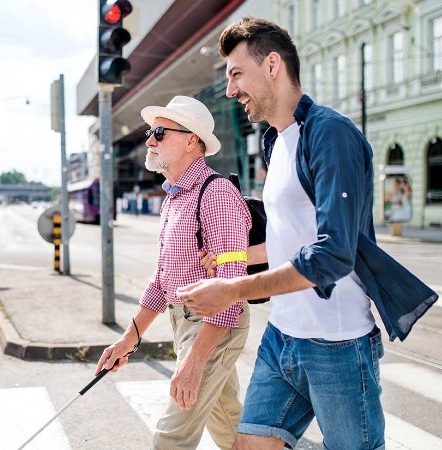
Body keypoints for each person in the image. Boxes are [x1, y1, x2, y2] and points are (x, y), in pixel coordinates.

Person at [177, 17, 388, 450]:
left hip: (338, 344)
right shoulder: (277, 141)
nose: (231, 89)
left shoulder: (330, 134)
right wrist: (226, 262)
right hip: (283, 336)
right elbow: (286, 238)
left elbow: (333, 255)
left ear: (272, 65)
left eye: (236, 74)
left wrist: (233, 289)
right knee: (249, 445)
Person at [95, 95, 252, 449]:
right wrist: (128, 339)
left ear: (191, 140)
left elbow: (231, 285)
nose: (149, 140)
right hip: (185, 322)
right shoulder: (174, 199)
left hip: (213, 326)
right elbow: (162, 279)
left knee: (171, 438)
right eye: (152, 132)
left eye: (160, 132)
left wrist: (195, 360)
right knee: (229, 426)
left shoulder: (217, 194)